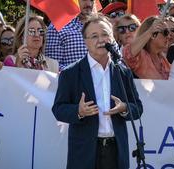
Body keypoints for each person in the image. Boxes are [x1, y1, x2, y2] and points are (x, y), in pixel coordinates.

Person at [52, 15, 143, 169]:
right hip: (85, 152)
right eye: (94, 36)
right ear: (85, 42)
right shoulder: (71, 73)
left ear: (113, 38)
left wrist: (124, 108)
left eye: (105, 34)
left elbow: (137, 108)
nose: (101, 40)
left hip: (116, 151)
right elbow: (58, 109)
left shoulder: (123, 72)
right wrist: (78, 111)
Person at [45, 0, 98, 71]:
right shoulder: (58, 27)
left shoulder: (101, 26)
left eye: (92, 0)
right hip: (73, 81)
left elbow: (115, 57)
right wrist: (77, 74)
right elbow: (52, 66)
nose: (88, 4)